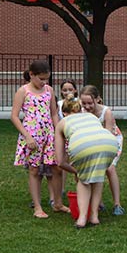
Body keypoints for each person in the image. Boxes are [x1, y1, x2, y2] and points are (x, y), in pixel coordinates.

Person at [56, 97, 120, 228]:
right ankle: (94, 216)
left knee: (83, 181)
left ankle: (82, 219)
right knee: (98, 176)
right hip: (109, 144)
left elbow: (60, 161)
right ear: (80, 110)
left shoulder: (62, 123)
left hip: (82, 144)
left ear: (64, 113)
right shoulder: (91, 116)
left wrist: (77, 172)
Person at [12, 60, 59, 219]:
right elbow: (14, 116)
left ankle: (56, 201)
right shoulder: (23, 91)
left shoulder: (49, 90)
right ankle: (37, 206)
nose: (44, 82)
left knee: (52, 168)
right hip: (31, 136)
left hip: (48, 135)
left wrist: (57, 132)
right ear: (31, 75)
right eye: (41, 79)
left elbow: (53, 113)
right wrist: (27, 136)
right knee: (34, 170)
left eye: (46, 79)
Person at [80, 85, 125, 216]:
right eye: (84, 103)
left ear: (98, 99)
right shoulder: (82, 112)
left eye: (90, 103)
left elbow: (109, 134)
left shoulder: (106, 112)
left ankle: (117, 204)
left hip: (111, 141)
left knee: (109, 168)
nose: (87, 106)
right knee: (93, 168)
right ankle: (98, 203)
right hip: (93, 141)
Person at [45, 80, 80, 214]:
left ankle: (82, 192)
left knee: (77, 164)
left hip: (76, 139)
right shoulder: (59, 105)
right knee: (61, 166)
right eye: (64, 90)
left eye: (70, 89)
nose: (67, 92)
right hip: (62, 137)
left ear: (75, 90)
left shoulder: (79, 103)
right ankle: (60, 193)